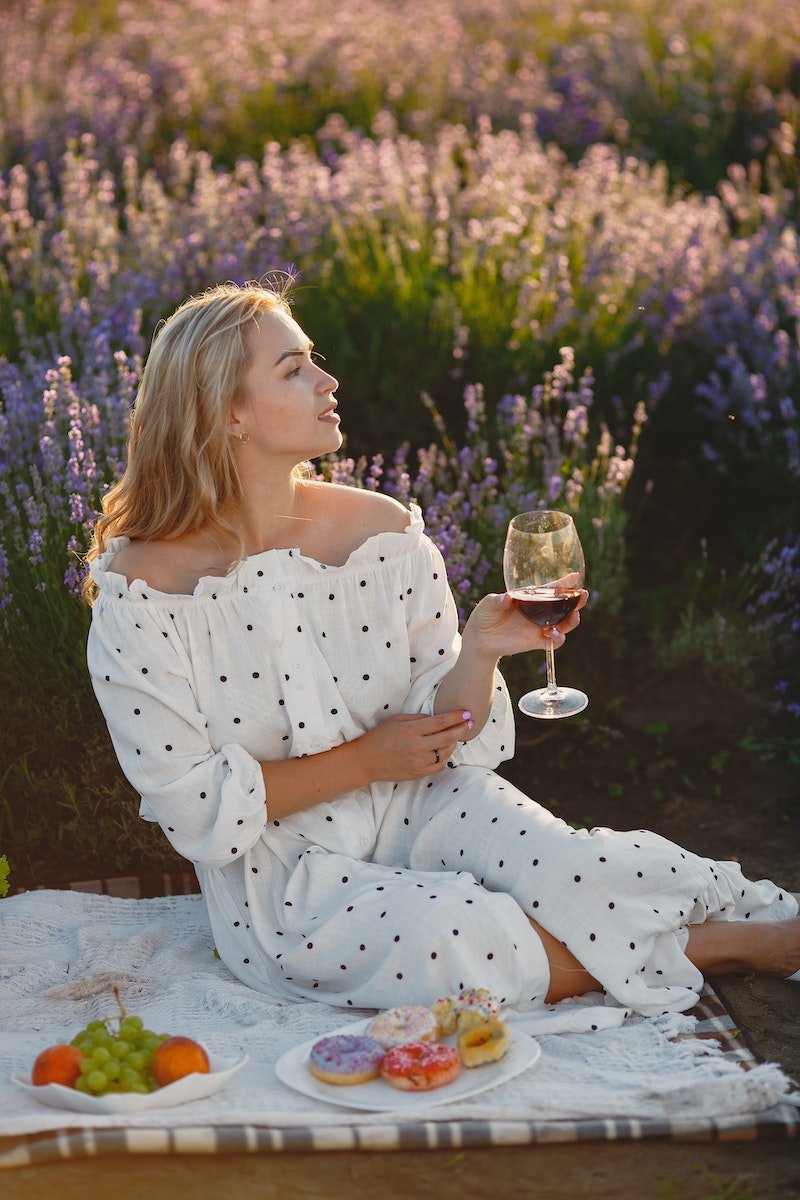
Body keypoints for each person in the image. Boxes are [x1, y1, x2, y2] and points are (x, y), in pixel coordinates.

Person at [84, 280, 799, 1017]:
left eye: (314, 361)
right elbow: (194, 807)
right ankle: (729, 946)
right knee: (444, 936)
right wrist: (363, 761)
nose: (328, 381)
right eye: (293, 369)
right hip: (288, 871)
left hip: (430, 801)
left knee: (580, 871)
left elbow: (449, 740)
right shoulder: (144, 594)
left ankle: (701, 919)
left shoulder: (384, 534)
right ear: (227, 412)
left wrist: (481, 652)